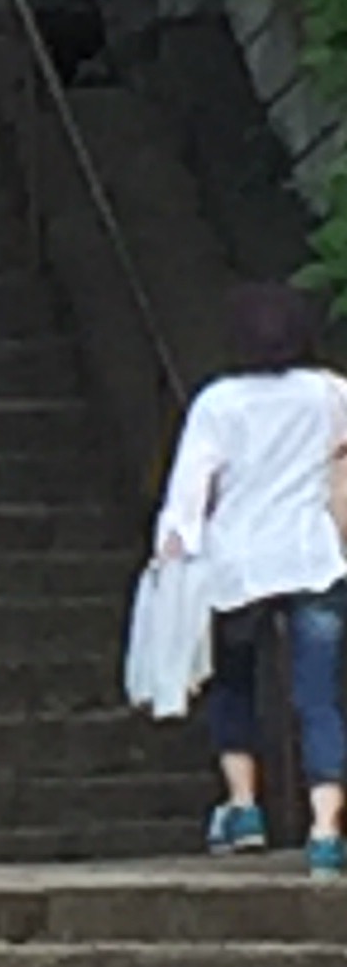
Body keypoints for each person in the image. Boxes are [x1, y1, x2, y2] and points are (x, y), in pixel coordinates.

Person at [153, 282, 347, 875]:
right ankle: (325, 829)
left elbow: (192, 488)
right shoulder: (331, 393)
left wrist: (172, 549)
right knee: (319, 697)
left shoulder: (219, 403)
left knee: (233, 681)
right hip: (313, 556)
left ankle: (243, 807)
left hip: (238, 562)